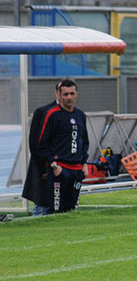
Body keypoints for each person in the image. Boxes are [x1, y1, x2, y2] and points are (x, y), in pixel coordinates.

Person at [35, 79, 89, 215]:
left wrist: (84, 163)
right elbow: (41, 143)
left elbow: (84, 141)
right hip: (59, 170)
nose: (69, 98)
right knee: (55, 209)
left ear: (76, 94)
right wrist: (54, 166)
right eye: (65, 94)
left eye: (72, 94)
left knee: (71, 210)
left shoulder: (80, 115)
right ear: (59, 95)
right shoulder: (51, 114)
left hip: (76, 170)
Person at [23, 82, 61, 216]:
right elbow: (35, 143)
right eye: (64, 92)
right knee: (43, 205)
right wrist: (42, 169)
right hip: (45, 169)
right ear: (57, 92)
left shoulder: (74, 114)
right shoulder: (43, 112)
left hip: (64, 171)